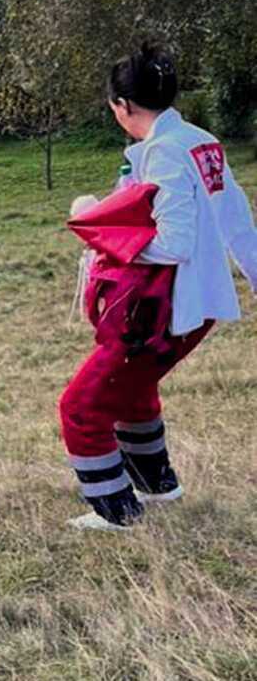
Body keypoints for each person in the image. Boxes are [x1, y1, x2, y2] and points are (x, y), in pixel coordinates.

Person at [60, 44, 257, 530]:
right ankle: (158, 485)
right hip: (195, 302)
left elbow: (175, 243)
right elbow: (238, 219)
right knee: (133, 391)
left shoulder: (164, 152)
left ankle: (116, 510)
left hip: (161, 306)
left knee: (82, 408)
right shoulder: (200, 142)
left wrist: (113, 245)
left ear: (122, 106)